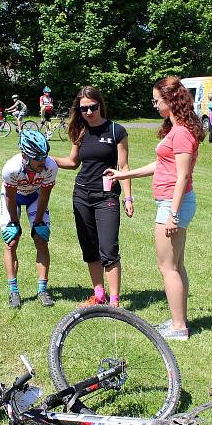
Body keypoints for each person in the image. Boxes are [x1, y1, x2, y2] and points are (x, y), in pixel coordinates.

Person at [104, 76, 203, 341]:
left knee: (167, 266)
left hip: (173, 204)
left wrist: (172, 214)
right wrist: (124, 175)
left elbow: (182, 176)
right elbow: (161, 166)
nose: (154, 104)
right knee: (176, 264)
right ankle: (177, 320)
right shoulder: (177, 129)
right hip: (172, 203)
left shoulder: (181, 132)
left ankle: (179, 327)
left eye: (156, 100)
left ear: (170, 100)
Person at [51, 86, 133, 308]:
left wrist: (128, 197)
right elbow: (72, 162)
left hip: (106, 196)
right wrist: (47, 159)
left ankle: (114, 301)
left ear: (100, 105)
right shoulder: (80, 131)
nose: (88, 112)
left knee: (108, 249)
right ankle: (98, 295)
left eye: (92, 107)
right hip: (82, 195)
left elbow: (123, 166)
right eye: (83, 108)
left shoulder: (117, 131)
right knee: (89, 247)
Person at [0, 129, 57, 309]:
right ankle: (13, 291)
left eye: (44, 156)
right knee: (11, 241)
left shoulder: (50, 166)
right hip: (13, 198)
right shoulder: (11, 168)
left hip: (36, 197)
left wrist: (38, 221)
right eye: (38, 158)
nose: (43, 161)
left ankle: (42, 289)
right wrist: (14, 222)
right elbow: (10, 197)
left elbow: (45, 196)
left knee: (41, 239)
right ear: (25, 155)